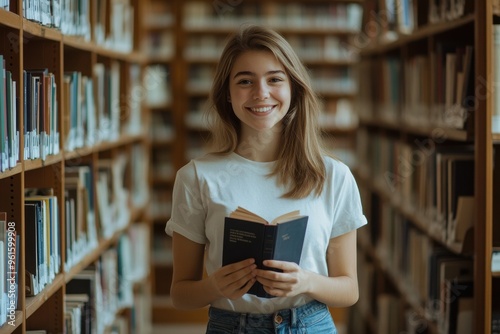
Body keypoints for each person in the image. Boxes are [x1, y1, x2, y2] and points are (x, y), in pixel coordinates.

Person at [165, 24, 367, 333]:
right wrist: (215, 286)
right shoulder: (196, 177)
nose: (261, 93)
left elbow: (349, 290)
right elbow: (181, 294)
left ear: (293, 89)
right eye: (245, 81)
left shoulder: (333, 176)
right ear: (227, 96)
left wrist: (306, 281)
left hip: (310, 324)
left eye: (275, 79)